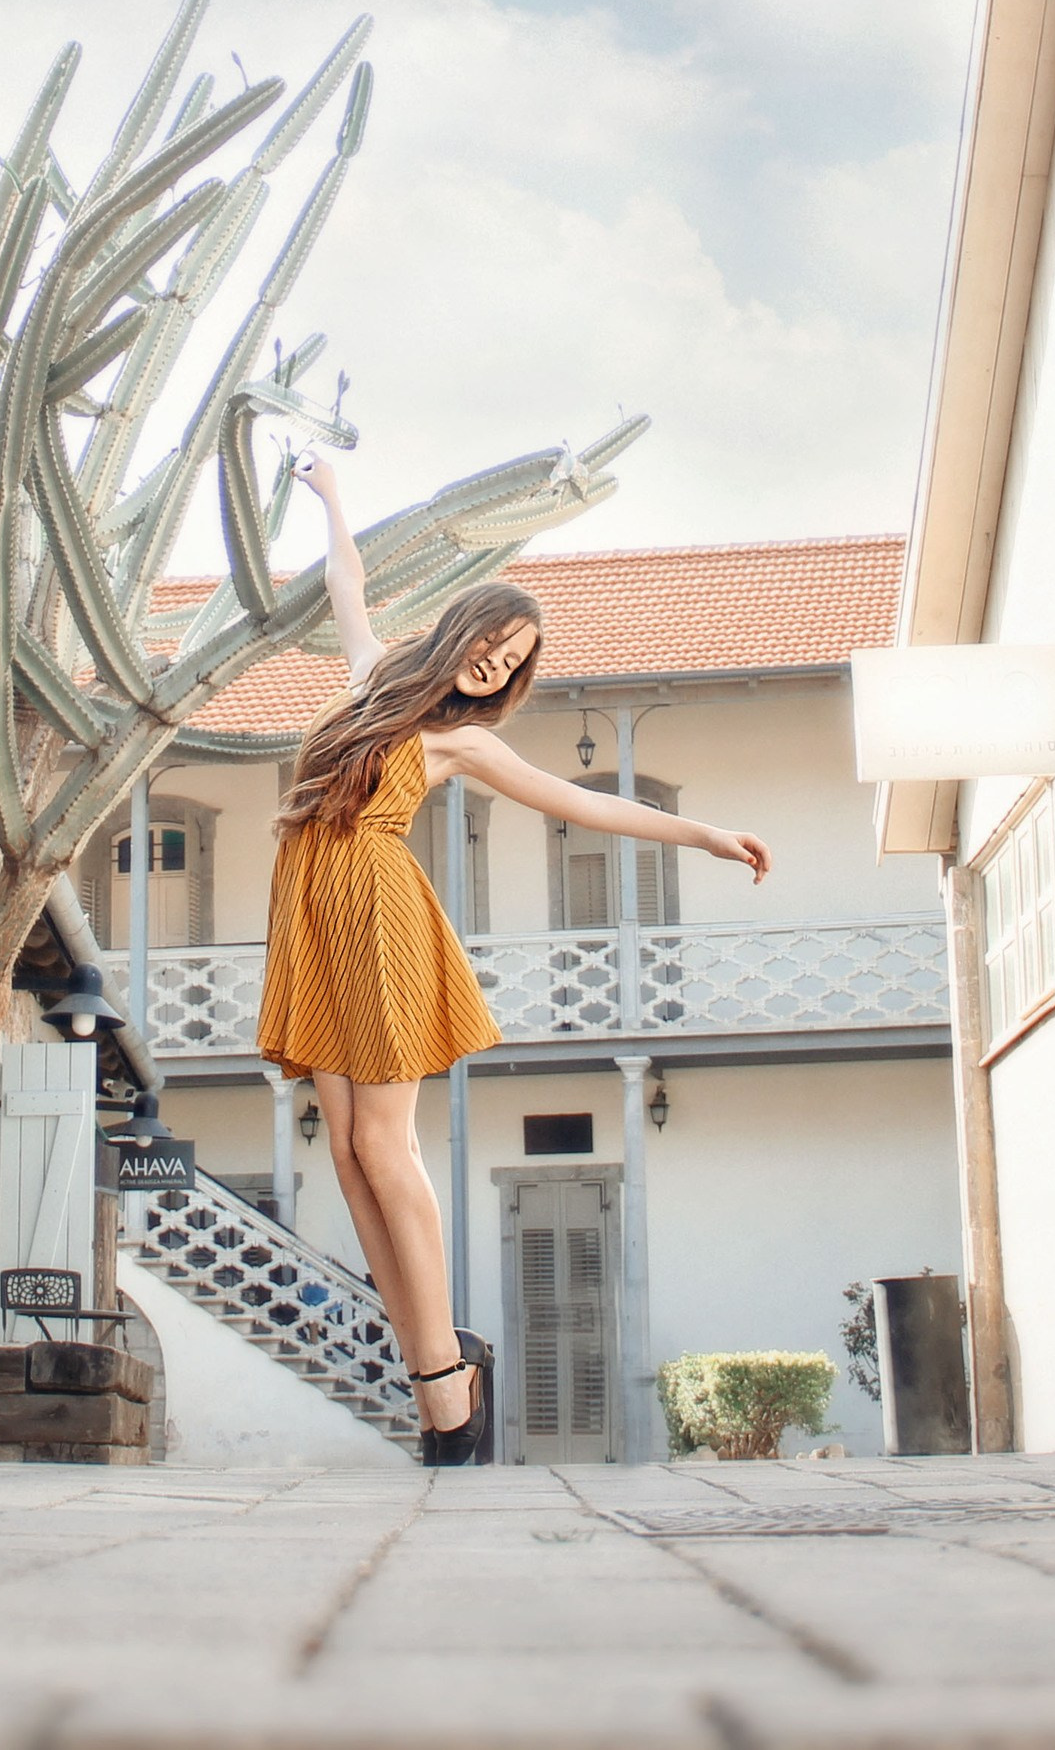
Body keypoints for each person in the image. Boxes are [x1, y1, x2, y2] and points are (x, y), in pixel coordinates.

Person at [258, 453, 773, 1466]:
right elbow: (349, 588)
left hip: (378, 914)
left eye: (515, 658)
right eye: (493, 640)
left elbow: (583, 804)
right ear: (462, 630)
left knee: (387, 1144)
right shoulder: (373, 684)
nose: (496, 664)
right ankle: (436, 1372)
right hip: (311, 911)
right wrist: (329, 498)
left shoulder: (465, 742)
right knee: (350, 1153)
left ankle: (447, 1374)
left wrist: (704, 833)